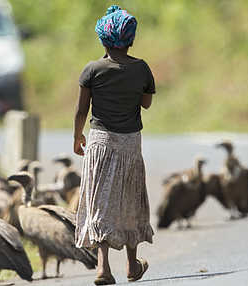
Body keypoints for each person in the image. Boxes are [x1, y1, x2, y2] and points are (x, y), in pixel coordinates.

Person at [73, 5, 156, 285]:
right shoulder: (141, 68)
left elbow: (81, 110)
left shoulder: (92, 69)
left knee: (100, 202)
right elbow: (146, 103)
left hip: (99, 143)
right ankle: (132, 265)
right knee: (130, 200)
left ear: (102, 40)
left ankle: (102, 268)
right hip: (130, 144)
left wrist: (77, 136)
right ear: (131, 39)